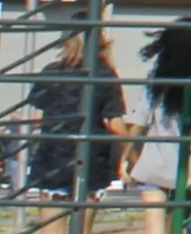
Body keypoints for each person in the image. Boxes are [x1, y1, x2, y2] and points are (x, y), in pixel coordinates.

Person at [20, 32, 129, 201]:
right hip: (92, 155)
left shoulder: (51, 71)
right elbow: (115, 123)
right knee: (84, 222)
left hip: (53, 152)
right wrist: (128, 153)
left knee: (51, 225)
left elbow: (38, 116)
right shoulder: (104, 75)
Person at [145, 17, 191, 202]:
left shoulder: (158, 82)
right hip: (189, 169)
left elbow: (140, 119)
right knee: (177, 224)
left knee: (157, 226)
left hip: (155, 166)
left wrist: (127, 154)